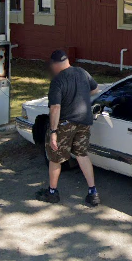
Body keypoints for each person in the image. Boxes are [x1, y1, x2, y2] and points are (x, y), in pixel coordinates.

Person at [36, 50, 102, 206]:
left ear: (55, 64)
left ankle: (52, 192)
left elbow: (55, 108)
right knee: (82, 155)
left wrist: (53, 132)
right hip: (84, 122)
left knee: (55, 158)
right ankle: (93, 192)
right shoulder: (82, 72)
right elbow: (95, 89)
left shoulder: (58, 81)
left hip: (65, 124)